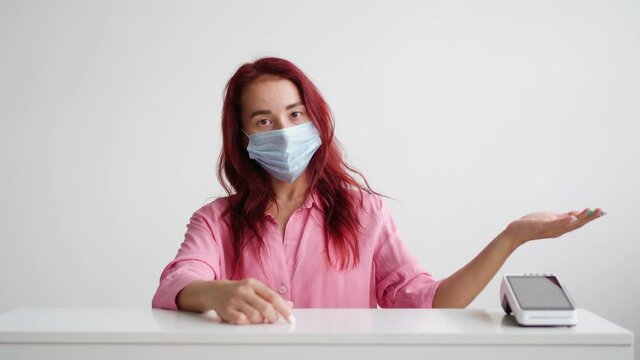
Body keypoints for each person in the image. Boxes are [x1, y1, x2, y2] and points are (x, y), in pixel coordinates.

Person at [151, 57, 605, 325]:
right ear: (244, 139)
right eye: (264, 121)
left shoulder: (365, 213)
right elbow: (176, 283)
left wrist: (512, 236)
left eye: (294, 115)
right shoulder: (216, 219)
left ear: (316, 121)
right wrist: (216, 294)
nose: (284, 132)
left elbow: (429, 301)